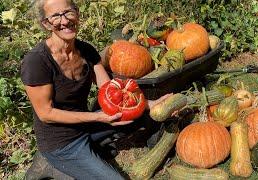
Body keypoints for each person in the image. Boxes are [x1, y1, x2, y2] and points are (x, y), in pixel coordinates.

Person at [21, 0, 171, 179]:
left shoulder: (86, 50)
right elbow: (46, 113)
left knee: (143, 116)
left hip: (86, 125)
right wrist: (99, 117)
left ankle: (93, 150)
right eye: (56, 16)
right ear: (46, 24)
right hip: (61, 142)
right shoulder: (36, 61)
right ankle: (50, 162)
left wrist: (148, 104)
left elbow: (110, 90)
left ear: (77, 14)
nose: (65, 20)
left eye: (69, 12)